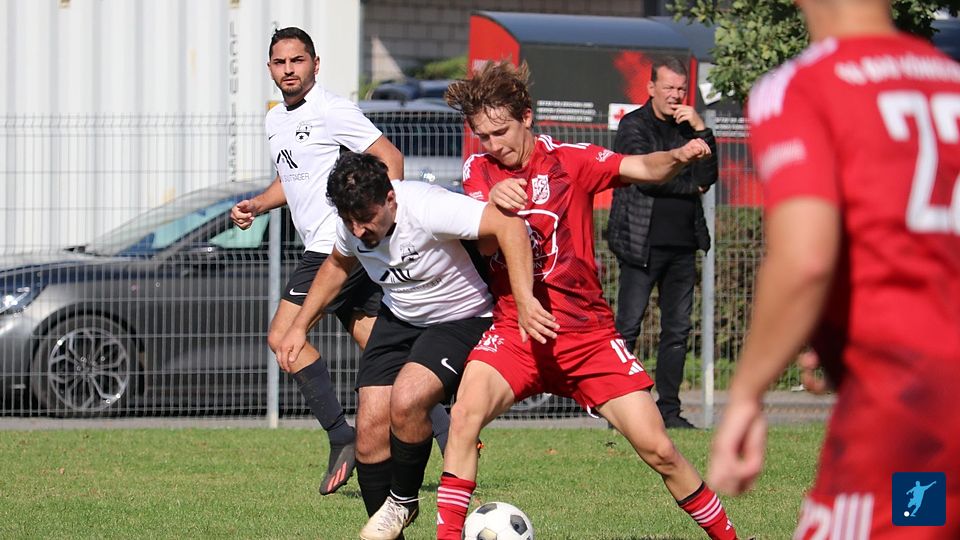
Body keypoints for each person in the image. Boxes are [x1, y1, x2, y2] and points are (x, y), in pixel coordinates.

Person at [435, 60, 737, 540]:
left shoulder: (570, 161)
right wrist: (492, 203)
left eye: (501, 132)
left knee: (660, 449)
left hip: (586, 337)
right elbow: (486, 241)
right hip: (517, 333)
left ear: (527, 117)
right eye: (483, 136)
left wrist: (679, 155)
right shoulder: (479, 169)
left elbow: (642, 167)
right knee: (464, 417)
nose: (493, 145)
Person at [707, 0, 960, 537]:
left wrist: (747, 393)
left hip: (905, 399)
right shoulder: (948, 79)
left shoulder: (802, 85)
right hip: (937, 394)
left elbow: (805, 258)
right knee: (924, 522)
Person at [275, 152, 552, 540]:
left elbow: (508, 225)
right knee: (369, 433)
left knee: (407, 398)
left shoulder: (427, 207)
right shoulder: (353, 224)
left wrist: (524, 300)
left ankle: (403, 501)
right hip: (399, 318)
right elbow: (337, 265)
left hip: (461, 317)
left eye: (365, 219)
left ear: (390, 199)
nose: (358, 230)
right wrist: (298, 326)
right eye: (349, 221)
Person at [230, 27, 449, 496]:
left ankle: (340, 434)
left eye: (297, 60)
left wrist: (381, 227)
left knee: (283, 337)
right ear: (270, 69)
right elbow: (292, 179)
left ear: (315, 63)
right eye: (280, 62)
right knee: (380, 347)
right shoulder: (275, 120)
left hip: (333, 247)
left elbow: (389, 157)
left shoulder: (332, 110)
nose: (289, 70)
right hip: (334, 247)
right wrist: (258, 204)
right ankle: (451, 435)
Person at [608, 56, 718, 429]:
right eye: (668, 87)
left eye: (681, 89)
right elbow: (645, 177)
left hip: (683, 246)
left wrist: (702, 130)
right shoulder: (634, 125)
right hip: (641, 244)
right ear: (651, 88)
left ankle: (669, 410)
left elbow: (708, 176)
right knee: (628, 327)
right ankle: (618, 410)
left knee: (677, 331)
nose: (675, 95)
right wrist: (691, 183)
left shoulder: (689, 127)